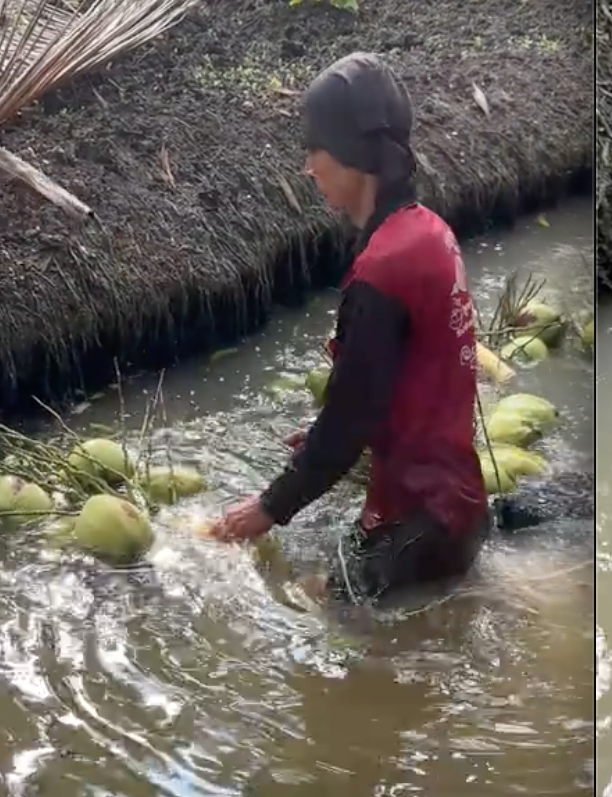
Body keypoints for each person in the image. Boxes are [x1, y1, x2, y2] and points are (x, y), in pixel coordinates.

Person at [209, 52, 491, 605]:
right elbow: (404, 384)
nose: (308, 167)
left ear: (351, 154)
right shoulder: (430, 232)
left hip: (417, 533)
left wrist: (267, 508)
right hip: (459, 509)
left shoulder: (382, 270)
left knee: (303, 606)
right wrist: (329, 436)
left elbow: (349, 419)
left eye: (315, 150)